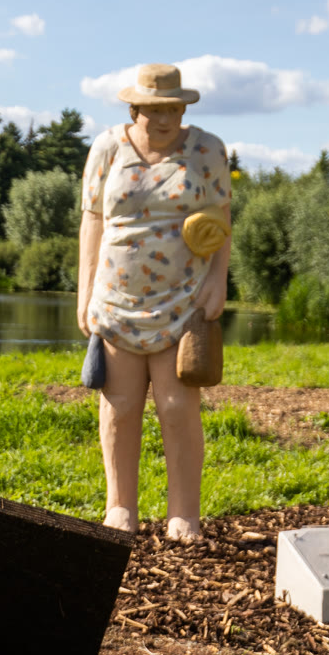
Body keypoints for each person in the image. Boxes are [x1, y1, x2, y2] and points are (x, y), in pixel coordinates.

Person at [76, 63, 232, 540]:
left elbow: (221, 219)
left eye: (174, 110)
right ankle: (120, 506)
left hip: (183, 298)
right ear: (135, 109)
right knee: (120, 405)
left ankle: (183, 513)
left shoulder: (207, 149)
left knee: (177, 406)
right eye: (154, 111)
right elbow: (93, 221)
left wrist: (218, 280)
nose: (165, 120)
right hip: (117, 298)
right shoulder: (107, 147)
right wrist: (85, 290)